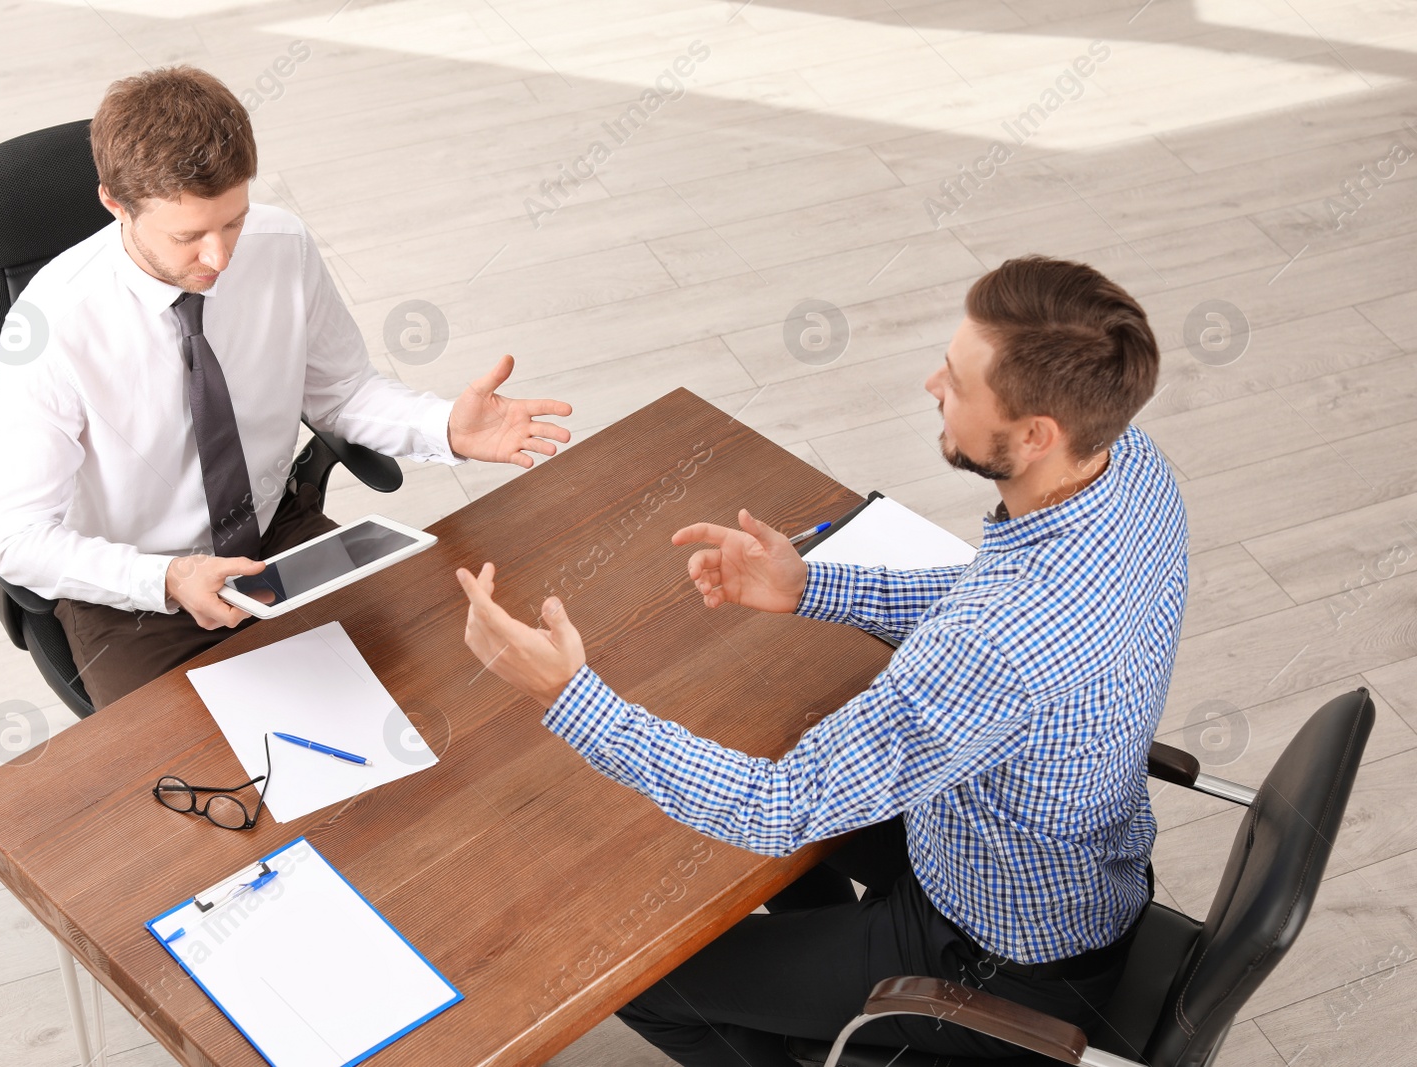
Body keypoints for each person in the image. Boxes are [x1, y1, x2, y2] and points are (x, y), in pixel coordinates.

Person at [454, 255, 1187, 1065]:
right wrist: (809, 584)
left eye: (957, 380)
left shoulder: (995, 643)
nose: (930, 385)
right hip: (1050, 859)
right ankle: (810, 973)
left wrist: (567, 693)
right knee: (768, 742)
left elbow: (780, 806)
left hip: (990, 960)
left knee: (635, 977)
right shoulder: (1128, 466)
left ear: (1036, 434)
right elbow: (987, 588)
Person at [0, 65, 571, 709]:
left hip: (272, 539)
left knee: (431, 693)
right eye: (188, 236)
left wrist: (443, 428)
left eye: (231, 222)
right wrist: (170, 578)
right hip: (137, 589)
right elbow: (15, 537)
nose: (220, 258)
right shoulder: (49, 328)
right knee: (184, 784)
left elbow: (341, 393)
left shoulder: (279, 244)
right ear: (116, 204)